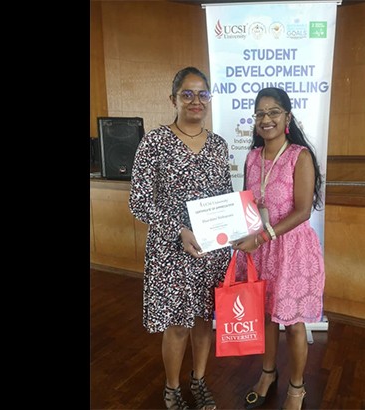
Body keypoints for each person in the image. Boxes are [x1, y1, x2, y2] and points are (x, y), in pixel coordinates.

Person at [129, 66, 232, 410]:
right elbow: (139, 201)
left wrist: (234, 233)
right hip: (170, 252)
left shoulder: (219, 146)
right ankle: (172, 388)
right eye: (187, 94)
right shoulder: (154, 142)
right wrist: (179, 230)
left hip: (210, 252)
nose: (195, 100)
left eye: (202, 93)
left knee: (203, 320)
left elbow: (226, 199)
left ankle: (198, 380)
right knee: (176, 325)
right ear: (173, 99)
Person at [231, 87, 325, 410]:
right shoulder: (252, 157)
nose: (266, 119)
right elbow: (247, 204)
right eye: (260, 114)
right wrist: (240, 228)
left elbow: (302, 211)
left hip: (291, 250)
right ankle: (268, 373)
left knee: (294, 323)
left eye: (273, 112)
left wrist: (262, 235)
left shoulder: (300, 156)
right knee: (266, 317)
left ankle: (297, 388)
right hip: (262, 249)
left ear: (287, 117)